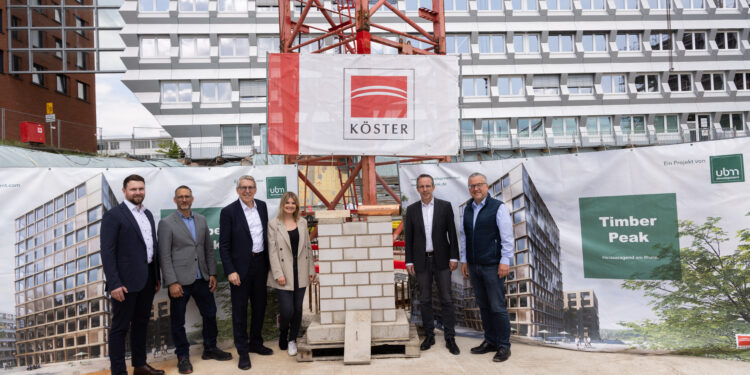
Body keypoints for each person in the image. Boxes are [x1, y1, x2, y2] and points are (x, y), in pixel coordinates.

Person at [158, 185, 232, 374]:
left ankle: (210, 348)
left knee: (210, 314)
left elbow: (208, 249)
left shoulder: (201, 220)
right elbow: (164, 255)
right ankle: (183, 357)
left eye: (187, 196)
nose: (184, 200)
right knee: (178, 322)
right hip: (180, 282)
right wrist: (172, 282)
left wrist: (213, 274)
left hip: (203, 278)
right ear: (175, 200)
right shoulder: (166, 223)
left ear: (192, 199)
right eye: (180, 197)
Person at [100, 174, 164, 375]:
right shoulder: (114, 215)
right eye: (133, 189)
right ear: (124, 191)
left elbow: (152, 247)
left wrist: (156, 277)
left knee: (141, 325)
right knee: (119, 329)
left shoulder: (147, 214)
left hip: (147, 280)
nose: (138, 192)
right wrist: (114, 283)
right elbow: (107, 252)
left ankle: (140, 366)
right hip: (124, 284)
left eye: (141, 189)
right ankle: (119, 372)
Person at [219, 175, 273, 371]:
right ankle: (242, 351)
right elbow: (224, 246)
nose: (247, 191)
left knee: (260, 306)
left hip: (260, 264)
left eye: (250, 187)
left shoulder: (263, 206)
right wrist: (230, 270)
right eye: (243, 187)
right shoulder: (228, 212)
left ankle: (255, 343)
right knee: (240, 311)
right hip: (240, 269)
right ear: (237, 190)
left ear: (256, 189)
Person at [459, 172, 514, 363]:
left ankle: (504, 346)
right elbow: (464, 237)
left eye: (479, 185)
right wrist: (464, 260)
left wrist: (505, 261)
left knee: (497, 307)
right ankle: (490, 341)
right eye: (472, 186)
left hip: (493, 266)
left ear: (486, 186)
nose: (476, 189)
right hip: (474, 266)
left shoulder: (498, 208)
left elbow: (507, 237)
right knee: (483, 306)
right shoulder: (467, 209)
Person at [404, 174, 460, 355]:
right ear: (418, 189)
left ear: (433, 187)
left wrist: (454, 257)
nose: (425, 189)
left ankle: (450, 337)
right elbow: (409, 238)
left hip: (442, 259)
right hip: (421, 260)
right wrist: (409, 260)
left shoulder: (445, 206)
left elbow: (452, 233)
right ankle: (429, 335)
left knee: (446, 298)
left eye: (428, 186)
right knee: (425, 299)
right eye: (421, 186)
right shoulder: (411, 210)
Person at [266, 192, 316, 356]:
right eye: (287, 202)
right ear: (282, 204)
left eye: (293, 203)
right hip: (283, 273)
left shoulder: (302, 222)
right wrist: (278, 273)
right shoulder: (274, 224)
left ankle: (292, 340)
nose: (290, 205)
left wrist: (311, 270)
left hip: (300, 270)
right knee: (287, 310)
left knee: (297, 309)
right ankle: (283, 334)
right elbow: (272, 252)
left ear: (296, 206)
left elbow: (308, 248)